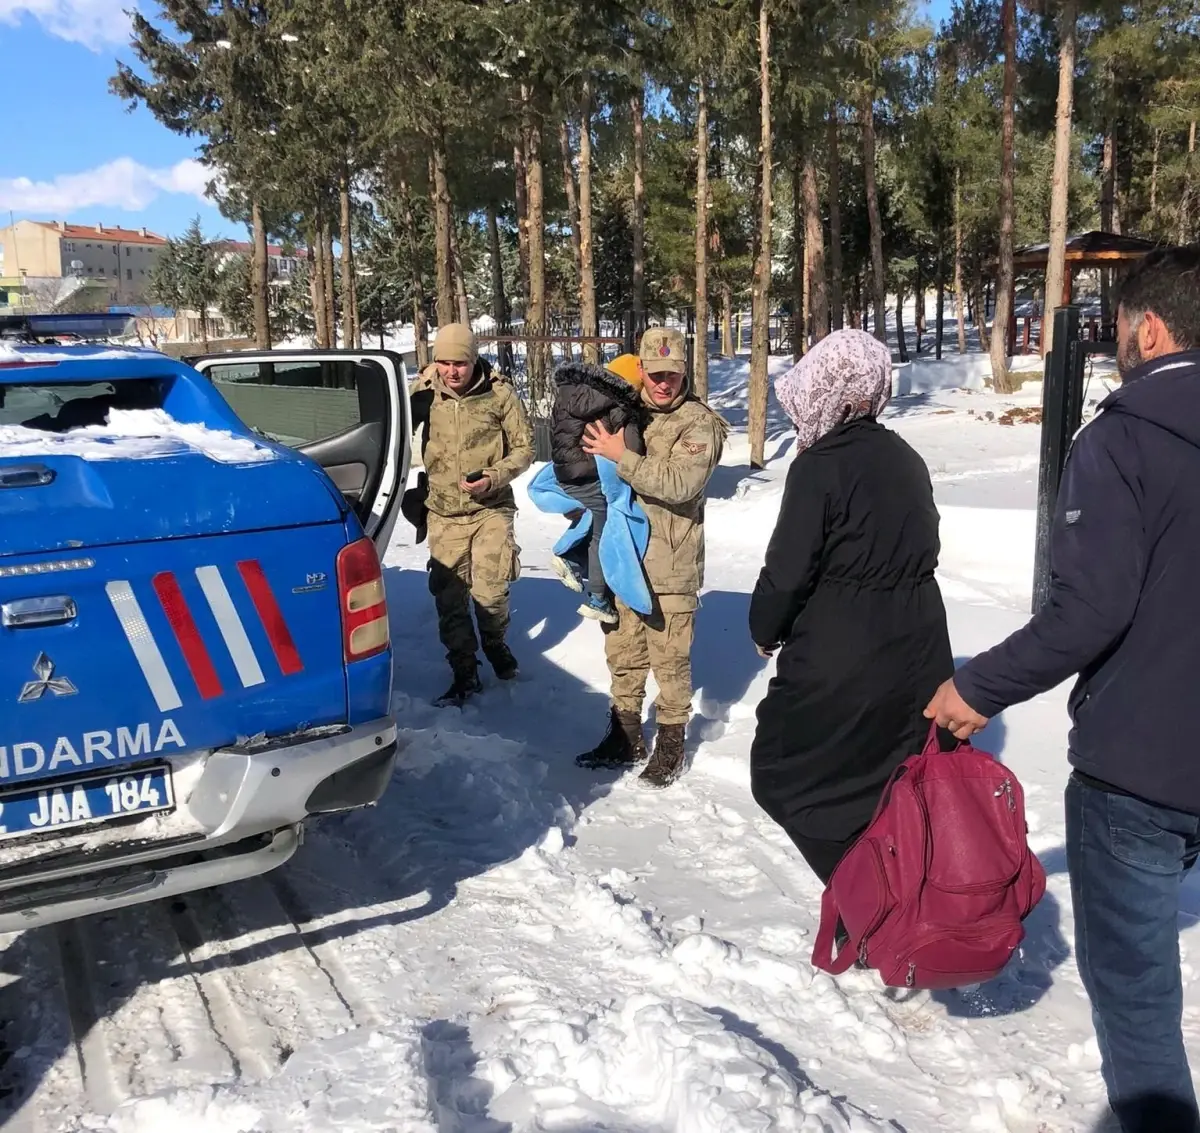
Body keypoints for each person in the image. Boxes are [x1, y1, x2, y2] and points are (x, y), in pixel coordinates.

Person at [924, 246, 1200, 1133]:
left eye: (1119, 329)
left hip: (1140, 773)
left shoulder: (1123, 438)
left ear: (1147, 330)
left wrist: (977, 688)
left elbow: (1092, 610)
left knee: (1138, 996)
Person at [746, 329, 953, 884]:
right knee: (884, 780)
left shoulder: (820, 465)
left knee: (782, 775)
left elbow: (788, 569)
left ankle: (865, 899)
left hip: (846, 648)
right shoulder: (905, 457)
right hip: (920, 644)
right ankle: (894, 895)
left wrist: (764, 627)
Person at [574, 326, 728, 788]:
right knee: (623, 651)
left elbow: (681, 484)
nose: (664, 384)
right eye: (656, 374)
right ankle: (624, 735)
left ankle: (671, 742)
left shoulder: (698, 423)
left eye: (674, 375)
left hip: (671, 566)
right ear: (641, 369)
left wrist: (621, 456)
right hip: (624, 559)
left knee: (670, 658)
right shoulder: (624, 412)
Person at [409, 323, 534, 707]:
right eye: (444, 362)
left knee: (491, 593)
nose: (452, 371)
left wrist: (496, 477)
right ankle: (464, 671)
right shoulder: (424, 394)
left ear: (473, 359)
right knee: (450, 600)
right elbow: (395, 432)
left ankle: (495, 642)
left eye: (460, 362)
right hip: (444, 513)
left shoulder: (499, 394)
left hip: (490, 509)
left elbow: (525, 448)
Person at [548, 353, 647, 624]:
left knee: (595, 521)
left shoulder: (575, 392)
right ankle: (595, 595)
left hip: (566, 471)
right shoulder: (618, 403)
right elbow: (631, 448)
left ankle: (576, 561)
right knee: (606, 529)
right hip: (589, 472)